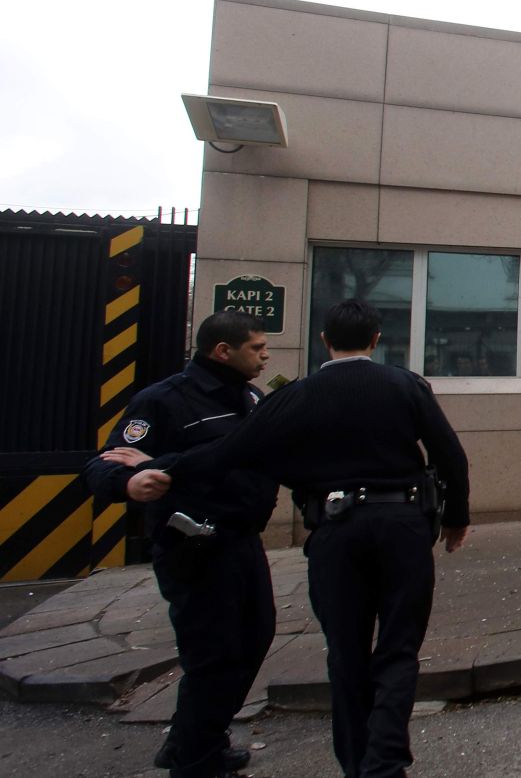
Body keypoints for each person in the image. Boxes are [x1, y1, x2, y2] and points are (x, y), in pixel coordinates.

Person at [109, 298, 470, 778]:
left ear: (324, 340)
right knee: (399, 649)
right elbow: (450, 454)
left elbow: (229, 451)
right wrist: (456, 518)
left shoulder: (297, 395)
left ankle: (357, 763)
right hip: (403, 527)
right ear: (377, 339)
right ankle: (385, 761)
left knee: (345, 652)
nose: (263, 355)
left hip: (336, 532)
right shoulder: (405, 385)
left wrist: (160, 467)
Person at [83, 311, 277, 778]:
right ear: (222, 351)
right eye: (256, 347)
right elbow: (105, 464)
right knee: (213, 653)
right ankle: (195, 762)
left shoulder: (251, 396)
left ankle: (195, 737)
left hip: (243, 540)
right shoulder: (163, 401)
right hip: (195, 547)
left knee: (255, 638)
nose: (265, 355)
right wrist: (129, 483)